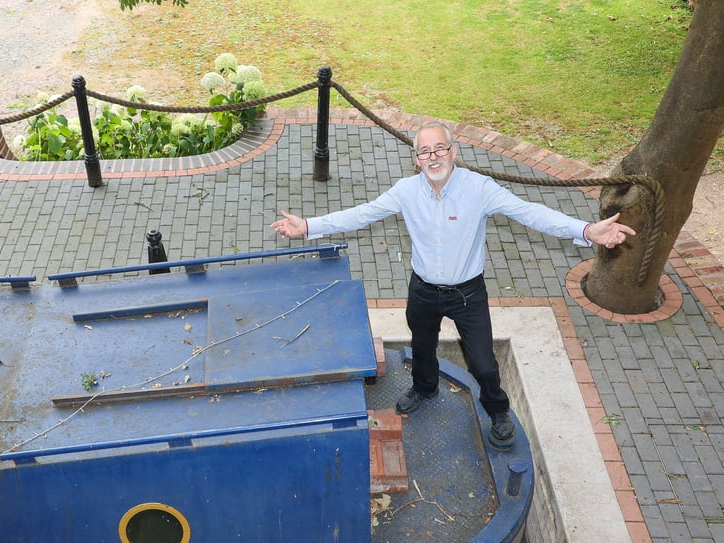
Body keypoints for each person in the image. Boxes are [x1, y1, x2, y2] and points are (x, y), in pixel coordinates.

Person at [270, 121, 635, 449]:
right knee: (422, 348)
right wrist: (309, 226)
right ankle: (424, 388)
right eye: (425, 151)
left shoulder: (480, 189)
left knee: (484, 364)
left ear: (453, 152)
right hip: (424, 290)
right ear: (416, 160)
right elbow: (362, 214)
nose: (433, 157)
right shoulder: (406, 191)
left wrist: (586, 230)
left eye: (440, 148)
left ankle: (498, 410)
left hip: (468, 294)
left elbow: (530, 212)